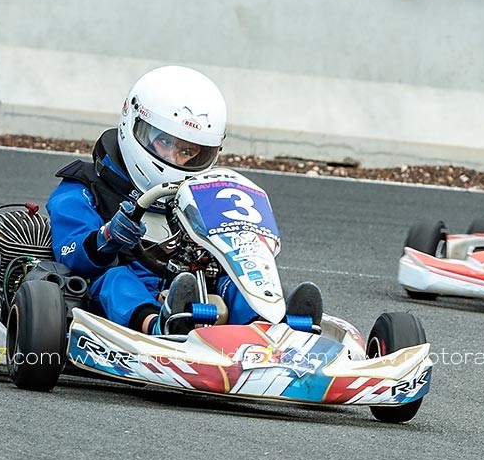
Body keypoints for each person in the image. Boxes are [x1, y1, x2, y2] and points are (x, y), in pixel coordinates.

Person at [47, 65, 322, 336]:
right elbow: (71, 256)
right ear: (134, 123)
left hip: (194, 288)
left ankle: (270, 328)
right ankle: (159, 325)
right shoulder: (83, 186)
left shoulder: (206, 195)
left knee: (233, 281)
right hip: (121, 295)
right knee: (115, 279)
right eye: (165, 143)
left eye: (189, 151)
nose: (176, 159)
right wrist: (106, 237)